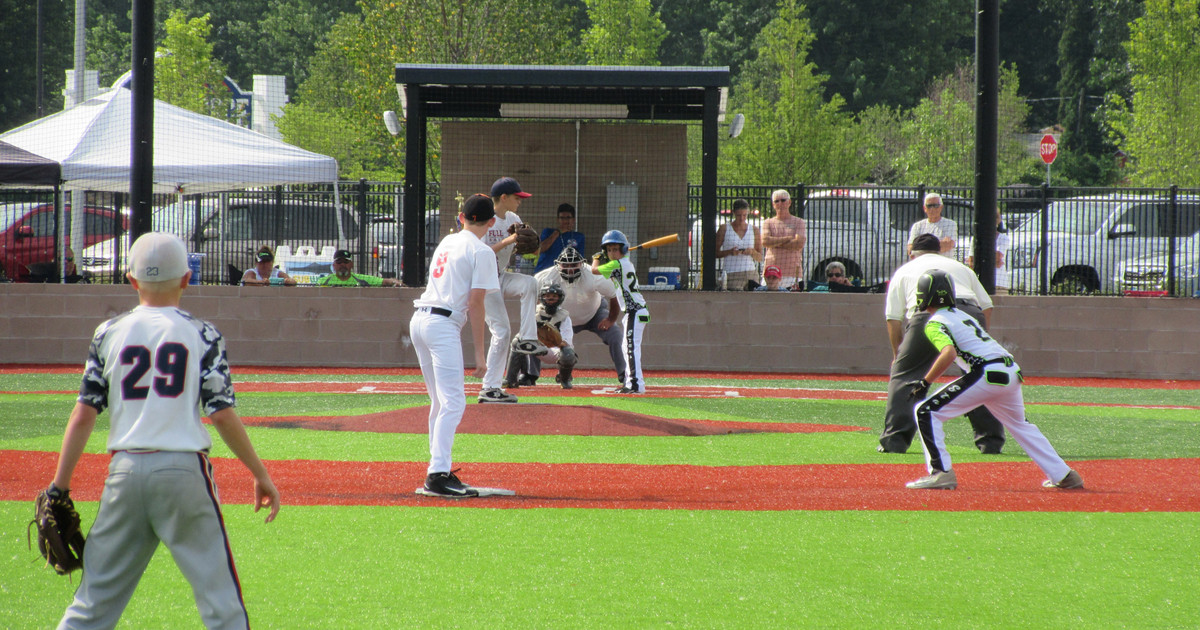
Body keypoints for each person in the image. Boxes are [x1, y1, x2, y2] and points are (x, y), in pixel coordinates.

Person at [51, 232, 280, 629]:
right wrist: (259, 473)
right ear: (187, 279)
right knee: (221, 603)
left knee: (91, 605)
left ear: (131, 279)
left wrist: (59, 486)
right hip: (183, 471)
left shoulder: (107, 333)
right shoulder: (203, 333)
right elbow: (221, 412)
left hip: (124, 471)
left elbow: (84, 414)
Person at [904, 269, 1084, 491]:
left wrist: (925, 382)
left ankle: (941, 473)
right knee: (1021, 425)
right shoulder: (963, 315)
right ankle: (1065, 475)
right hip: (1010, 371)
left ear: (924, 296)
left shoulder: (935, 322)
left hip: (987, 373)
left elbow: (948, 353)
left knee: (926, 411)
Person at [881, 233, 1006, 454]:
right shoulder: (960, 267)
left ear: (912, 254)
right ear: (940, 251)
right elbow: (986, 305)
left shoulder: (904, 271)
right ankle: (990, 442)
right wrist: (979, 337)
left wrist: (897, 355)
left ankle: (895, 441)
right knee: (979, 374)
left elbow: (893, 318)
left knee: (906, 376)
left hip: (927, 313)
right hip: (969, 311)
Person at [410, 194, 500, 497]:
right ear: (491, 221)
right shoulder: (482, 251)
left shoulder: (448, 242)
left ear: (462, 217)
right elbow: (476, 303)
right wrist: (479, 354)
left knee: (440, 402)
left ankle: (438, 470)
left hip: (420, 319)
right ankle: (437, 475)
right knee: (454, 402)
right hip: (441, 324)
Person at [478, 177, 549, 404]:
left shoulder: (513, 218)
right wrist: (509, 240)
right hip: (482, 282)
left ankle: (527, 338)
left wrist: (532, 247)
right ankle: (490, 387)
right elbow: (481, 253)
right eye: (517, 197)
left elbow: (523, 250)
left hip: (499, 276)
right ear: (504, 198)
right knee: (501, 331)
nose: (520, 201)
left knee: (530, 283)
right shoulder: (484, 220)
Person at [523, 246, 625, 384]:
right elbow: (531, 300)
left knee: (615, 335)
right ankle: (530, 375)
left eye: (574, 264)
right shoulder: (544, 277)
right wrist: (537, 320)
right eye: (566, 265)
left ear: (581, 264)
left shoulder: (593, 275)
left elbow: (614, 295)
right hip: (558, 316)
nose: (570, 269)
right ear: (558, 265)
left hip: (594, 314)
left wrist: (611, 319)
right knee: (532, 332)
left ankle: (625, 374)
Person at [591, 230, 649, 394]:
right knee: (627, 347)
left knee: (631, 348)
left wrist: (596, 259)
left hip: (635, 311)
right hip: (634, 312)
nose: (612, 253)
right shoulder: (625, 264)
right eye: (609, 250)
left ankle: (636, 385)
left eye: (616, 249)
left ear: (623, 250)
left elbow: (594, 271)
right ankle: (631, 384)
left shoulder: (617, 264)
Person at [504, 283, 578, 389]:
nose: (550, 299)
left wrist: (551, 339)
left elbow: (566, 342)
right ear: (542, 298)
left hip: (555, 350)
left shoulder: (564, 316)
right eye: (547, 296)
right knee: (518, 342)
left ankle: (564, 379)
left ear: (560, 298)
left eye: (554, 296)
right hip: (537, 347)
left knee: (568, 353)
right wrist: (537, 339)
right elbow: (522, 334)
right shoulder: (534, 312)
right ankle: (517, 378)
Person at [761, 189, 806, 290]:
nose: (780, 203)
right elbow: (765, 241)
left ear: (789, 202)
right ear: (773, 204)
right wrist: (788, 239)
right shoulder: (768, 222)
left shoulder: (799, 222)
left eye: (783, 200)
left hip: (792, 273)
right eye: (777, 201)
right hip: (770, 273)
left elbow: (798, 244)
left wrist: (774, 243)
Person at [715, 199, 762, 290]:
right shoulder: (724, 228)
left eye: (744, 215)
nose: (741, 218)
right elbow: (715, 252)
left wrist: (752, 252)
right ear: (734, 213)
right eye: (738, 215)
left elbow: (760, 258)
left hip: (751, 273)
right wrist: (730, 252)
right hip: (732, 273)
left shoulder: (754, 229)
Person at [966, 209, 1010, 295]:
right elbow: (971, 261)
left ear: (997, 221)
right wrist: (992, 261)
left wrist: (980, 259)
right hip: (979, 283)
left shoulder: (1003, 238)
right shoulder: (975, 239)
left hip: (999, 283)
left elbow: (998, 256)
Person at [535, 203, 585, 273]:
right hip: (544, 271)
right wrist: (557, 233)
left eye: (568, 218)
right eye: (562, 218)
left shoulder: (579, 237)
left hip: (565, 274)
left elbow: (580, 260)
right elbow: (540, 249)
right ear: (558, 219)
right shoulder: (548, 232)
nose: (565, 221)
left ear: (573, 220)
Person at [907, 192, 958, 257]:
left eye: (936, 205)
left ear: (941, 207)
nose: (932, 209)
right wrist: (939, 245)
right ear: (924, 208)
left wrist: (921, 247)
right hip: (924, 264)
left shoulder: (951, 224)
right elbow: (910, 249)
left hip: (943, 264)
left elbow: (948, 245)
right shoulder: (917, 226)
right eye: (929, 206)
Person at [317, 248, 401, 287]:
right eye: (339, 262)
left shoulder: (361, 280)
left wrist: (395, 282)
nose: (342, 264)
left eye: (346, 262)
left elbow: (384, 281)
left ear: (351, 264)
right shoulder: (324, 282)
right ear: (334, 265)